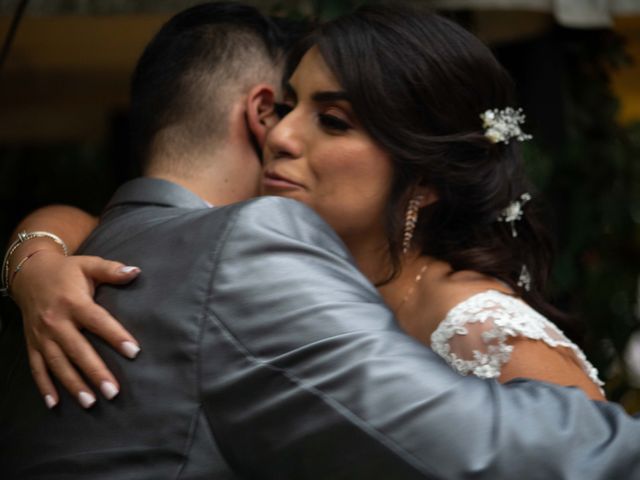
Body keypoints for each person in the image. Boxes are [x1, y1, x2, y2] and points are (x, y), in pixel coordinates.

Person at [2, 3, 640, 479]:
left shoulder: (478, 321)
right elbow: (131, 223)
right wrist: (35, 254)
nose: (279, 135)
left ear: (422, 176)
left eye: (331, 120)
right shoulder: (281, 273)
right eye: (286, 106)